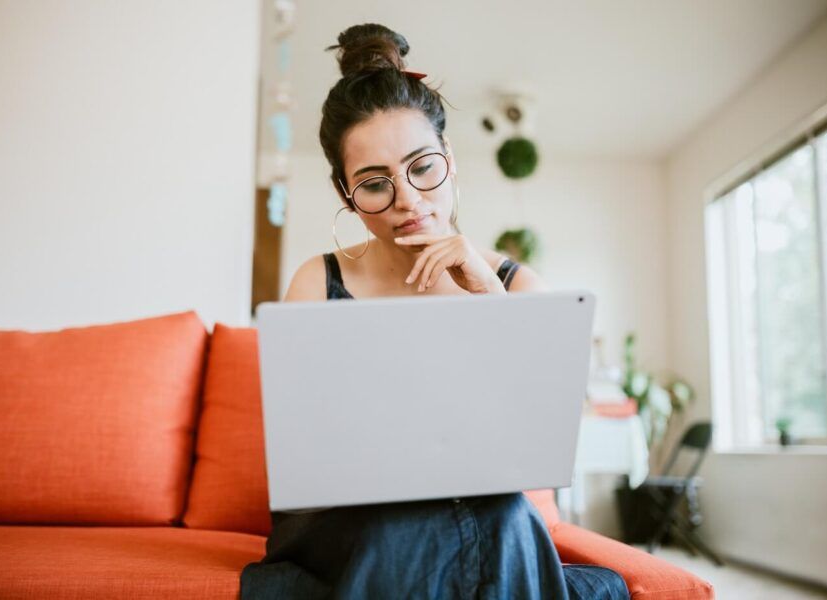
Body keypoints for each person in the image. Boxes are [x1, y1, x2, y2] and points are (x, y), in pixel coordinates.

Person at [240, 23, 629, 600]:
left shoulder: (517, 286)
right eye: (375, 185)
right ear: (347, 195)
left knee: (497, 515)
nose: (409, 202)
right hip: (342, 524)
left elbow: (544, 445)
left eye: (422, 168)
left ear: (449, 157)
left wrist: (491, 306)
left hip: (482, 512)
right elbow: (306, 463)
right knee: (464, 526)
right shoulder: (317, 281)